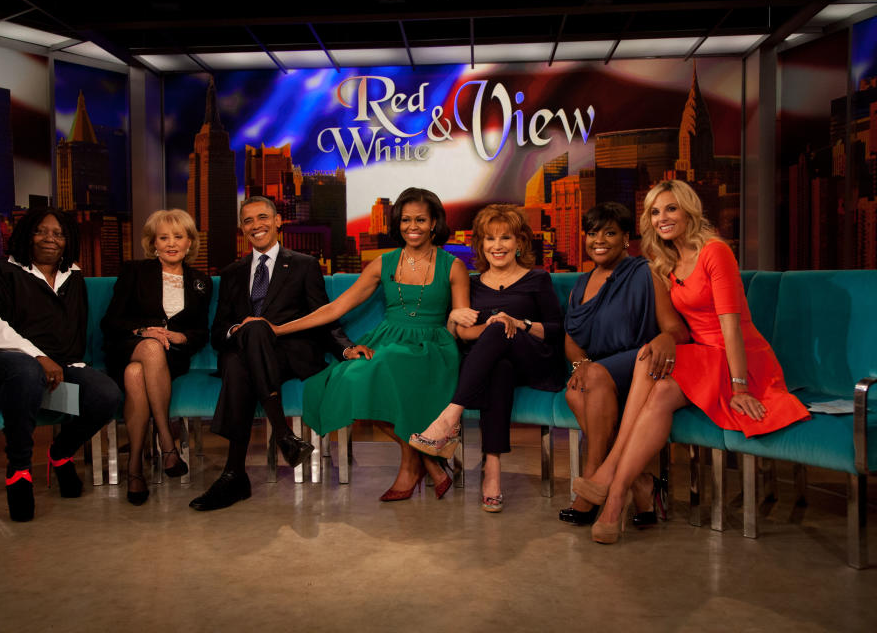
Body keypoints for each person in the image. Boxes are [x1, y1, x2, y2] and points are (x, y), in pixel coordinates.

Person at [574, 180, 809, 544]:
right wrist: (664, 337)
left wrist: (740, 384)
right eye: (654, 211)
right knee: (655, 373)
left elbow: (731, 325)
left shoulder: (716, 252)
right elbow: (675, 324)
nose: (662, 218)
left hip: (737, 357)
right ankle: (621, 492)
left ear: (689, 210)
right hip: (699, 355)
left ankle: (611, 486)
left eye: (671, 208)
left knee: (650, 364)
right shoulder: (664, 262)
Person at [269, 187, 471, 501]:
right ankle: (423, 455)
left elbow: (460, 319)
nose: (412, 226)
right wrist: (279, 329)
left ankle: (411, 466)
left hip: (433, 347)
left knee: (384, 365)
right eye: (405, 220)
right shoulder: (382, 264)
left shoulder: (453, 266)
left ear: (434, 223)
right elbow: (334, 309)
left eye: (420, 219)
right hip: (388, 340)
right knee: (352, 378)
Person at [0, 207, 121, 522]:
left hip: (57, 365)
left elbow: (73, 329)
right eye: (41, 230)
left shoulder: (73, 277)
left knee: (106, 394)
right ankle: (19, 470)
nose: (50, 239)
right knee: (26, 371)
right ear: (27, 234)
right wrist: (38, 357)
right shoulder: (3, 271)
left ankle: (60, 453)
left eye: (58, 233)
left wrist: (67, 364)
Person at [188, 196, 356, 511]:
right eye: (248, 220)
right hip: (245, 354)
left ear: (278, 221)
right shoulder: (232, 273)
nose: (256, 225)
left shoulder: (304, 265)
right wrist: (238, 331)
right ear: (241, 228)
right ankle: (282, 438)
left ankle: (235, 474)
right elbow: (219, 330)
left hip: (289, 354)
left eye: (263, 217)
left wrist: (345, 348)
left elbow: (324, 317)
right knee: (243, 350)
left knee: (250, 342)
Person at [408, 204, 564, 512]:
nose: (497, 246)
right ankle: (492, 471)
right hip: (495, 363)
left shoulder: (538, 279)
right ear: (480, 245)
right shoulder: (472, 283)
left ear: (519, 242)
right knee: (499, 365)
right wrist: (454, 318)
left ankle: (448, 419)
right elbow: (462, 332)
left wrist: (522, 324)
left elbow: (557, 330)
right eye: (489, 239)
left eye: (505, 238)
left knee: (498, 326)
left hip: (534, 359)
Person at [559, 202, 688, 527]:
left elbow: (676, 329)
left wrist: (665, 338)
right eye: (592, 233)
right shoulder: (579, 285)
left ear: (626, 238)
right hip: (600, 370)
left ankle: (591, 481)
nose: (599, 240)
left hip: (641, 366)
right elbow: (570, 337)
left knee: (596, 376)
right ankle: (642, 482)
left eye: (610, 233)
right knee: (575, 393)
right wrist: (580, 365)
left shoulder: (646, 272)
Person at [101, 209, 212, 505]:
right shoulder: (135, 271)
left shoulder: (201, 282)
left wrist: (183, 336)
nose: (171, 243)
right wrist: (143, 330)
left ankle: (135, 466)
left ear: (190, 242)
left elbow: (201, 332)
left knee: (135, 375)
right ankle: (167, 441)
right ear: (153, 243)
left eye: (179, 237)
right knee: (148, 349)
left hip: (172, 355)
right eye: (164, 238)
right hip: (130, 344)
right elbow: (110, 321)